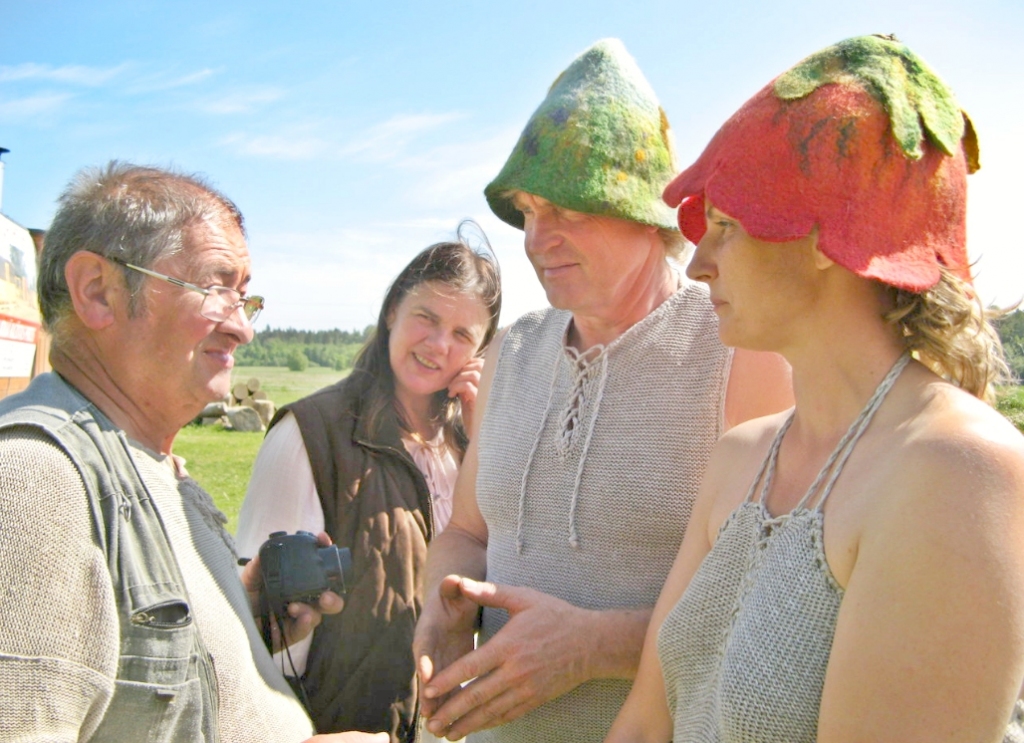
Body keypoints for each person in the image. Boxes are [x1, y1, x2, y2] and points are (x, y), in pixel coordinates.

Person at [605, 35, 1024, 743]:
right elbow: (647, 722)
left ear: (831, 240)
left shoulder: (956, 472)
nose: (699, 263)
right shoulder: (743, 457)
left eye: (729, 227)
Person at [412, 39, 794, 743]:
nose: (537, 237)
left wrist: (595, 646)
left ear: (647, 213)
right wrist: (443, 608)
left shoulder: (739, 351)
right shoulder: (512, 352)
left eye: (571, 209)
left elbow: (775, 601)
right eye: (528, 210)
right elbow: (468, 531)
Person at [0, 161, 387, 743]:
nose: (243, 328)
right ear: (97, 292)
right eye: (215, 288)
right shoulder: (36, 481)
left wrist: (243, 608)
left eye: (244, 297)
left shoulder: (151, 464)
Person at [235, 226, 502, 740]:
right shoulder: (310, 435)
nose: (439, 344)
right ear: (391, 314)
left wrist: (483, 438)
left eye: (463, 334)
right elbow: (253, 630)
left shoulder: (474, 444)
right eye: (426, 317)